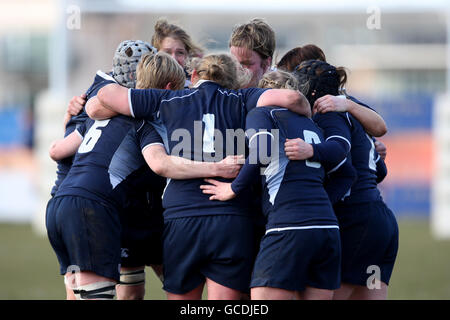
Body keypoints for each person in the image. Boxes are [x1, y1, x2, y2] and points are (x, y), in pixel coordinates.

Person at [94, 52, 311, 300]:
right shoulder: (243, 97)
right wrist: (307, 112)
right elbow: (293, 97)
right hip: (230, 219)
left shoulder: (168, 99)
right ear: (232, 80)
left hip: (182, 218)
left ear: (194, 75)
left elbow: (106, 95)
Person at [199, 69, 351, 300]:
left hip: (288, 226)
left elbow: (262, 150)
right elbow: (347, 173)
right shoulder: (312, 125)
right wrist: (320, 206)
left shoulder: (262, 112)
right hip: (328, 229)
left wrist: (233, 188)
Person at [292, 60, 399, 300]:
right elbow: (380, 171)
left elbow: (345, 164)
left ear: (309, 91)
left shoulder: (328, 114)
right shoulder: (349, 109)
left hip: (355, 220)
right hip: (380, 220)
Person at [151, 18, 204, 88]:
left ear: (187, 56)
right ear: (155, 54)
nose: (173, 58)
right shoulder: (142, 87)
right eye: (167, 52)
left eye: (180, 52)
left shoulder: (196, 90)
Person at [229, 18, 275, 88]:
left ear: (266, 64)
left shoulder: (282, 94)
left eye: (246, 64)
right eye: (233, 63)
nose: (237, 71)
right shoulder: (220, 92)